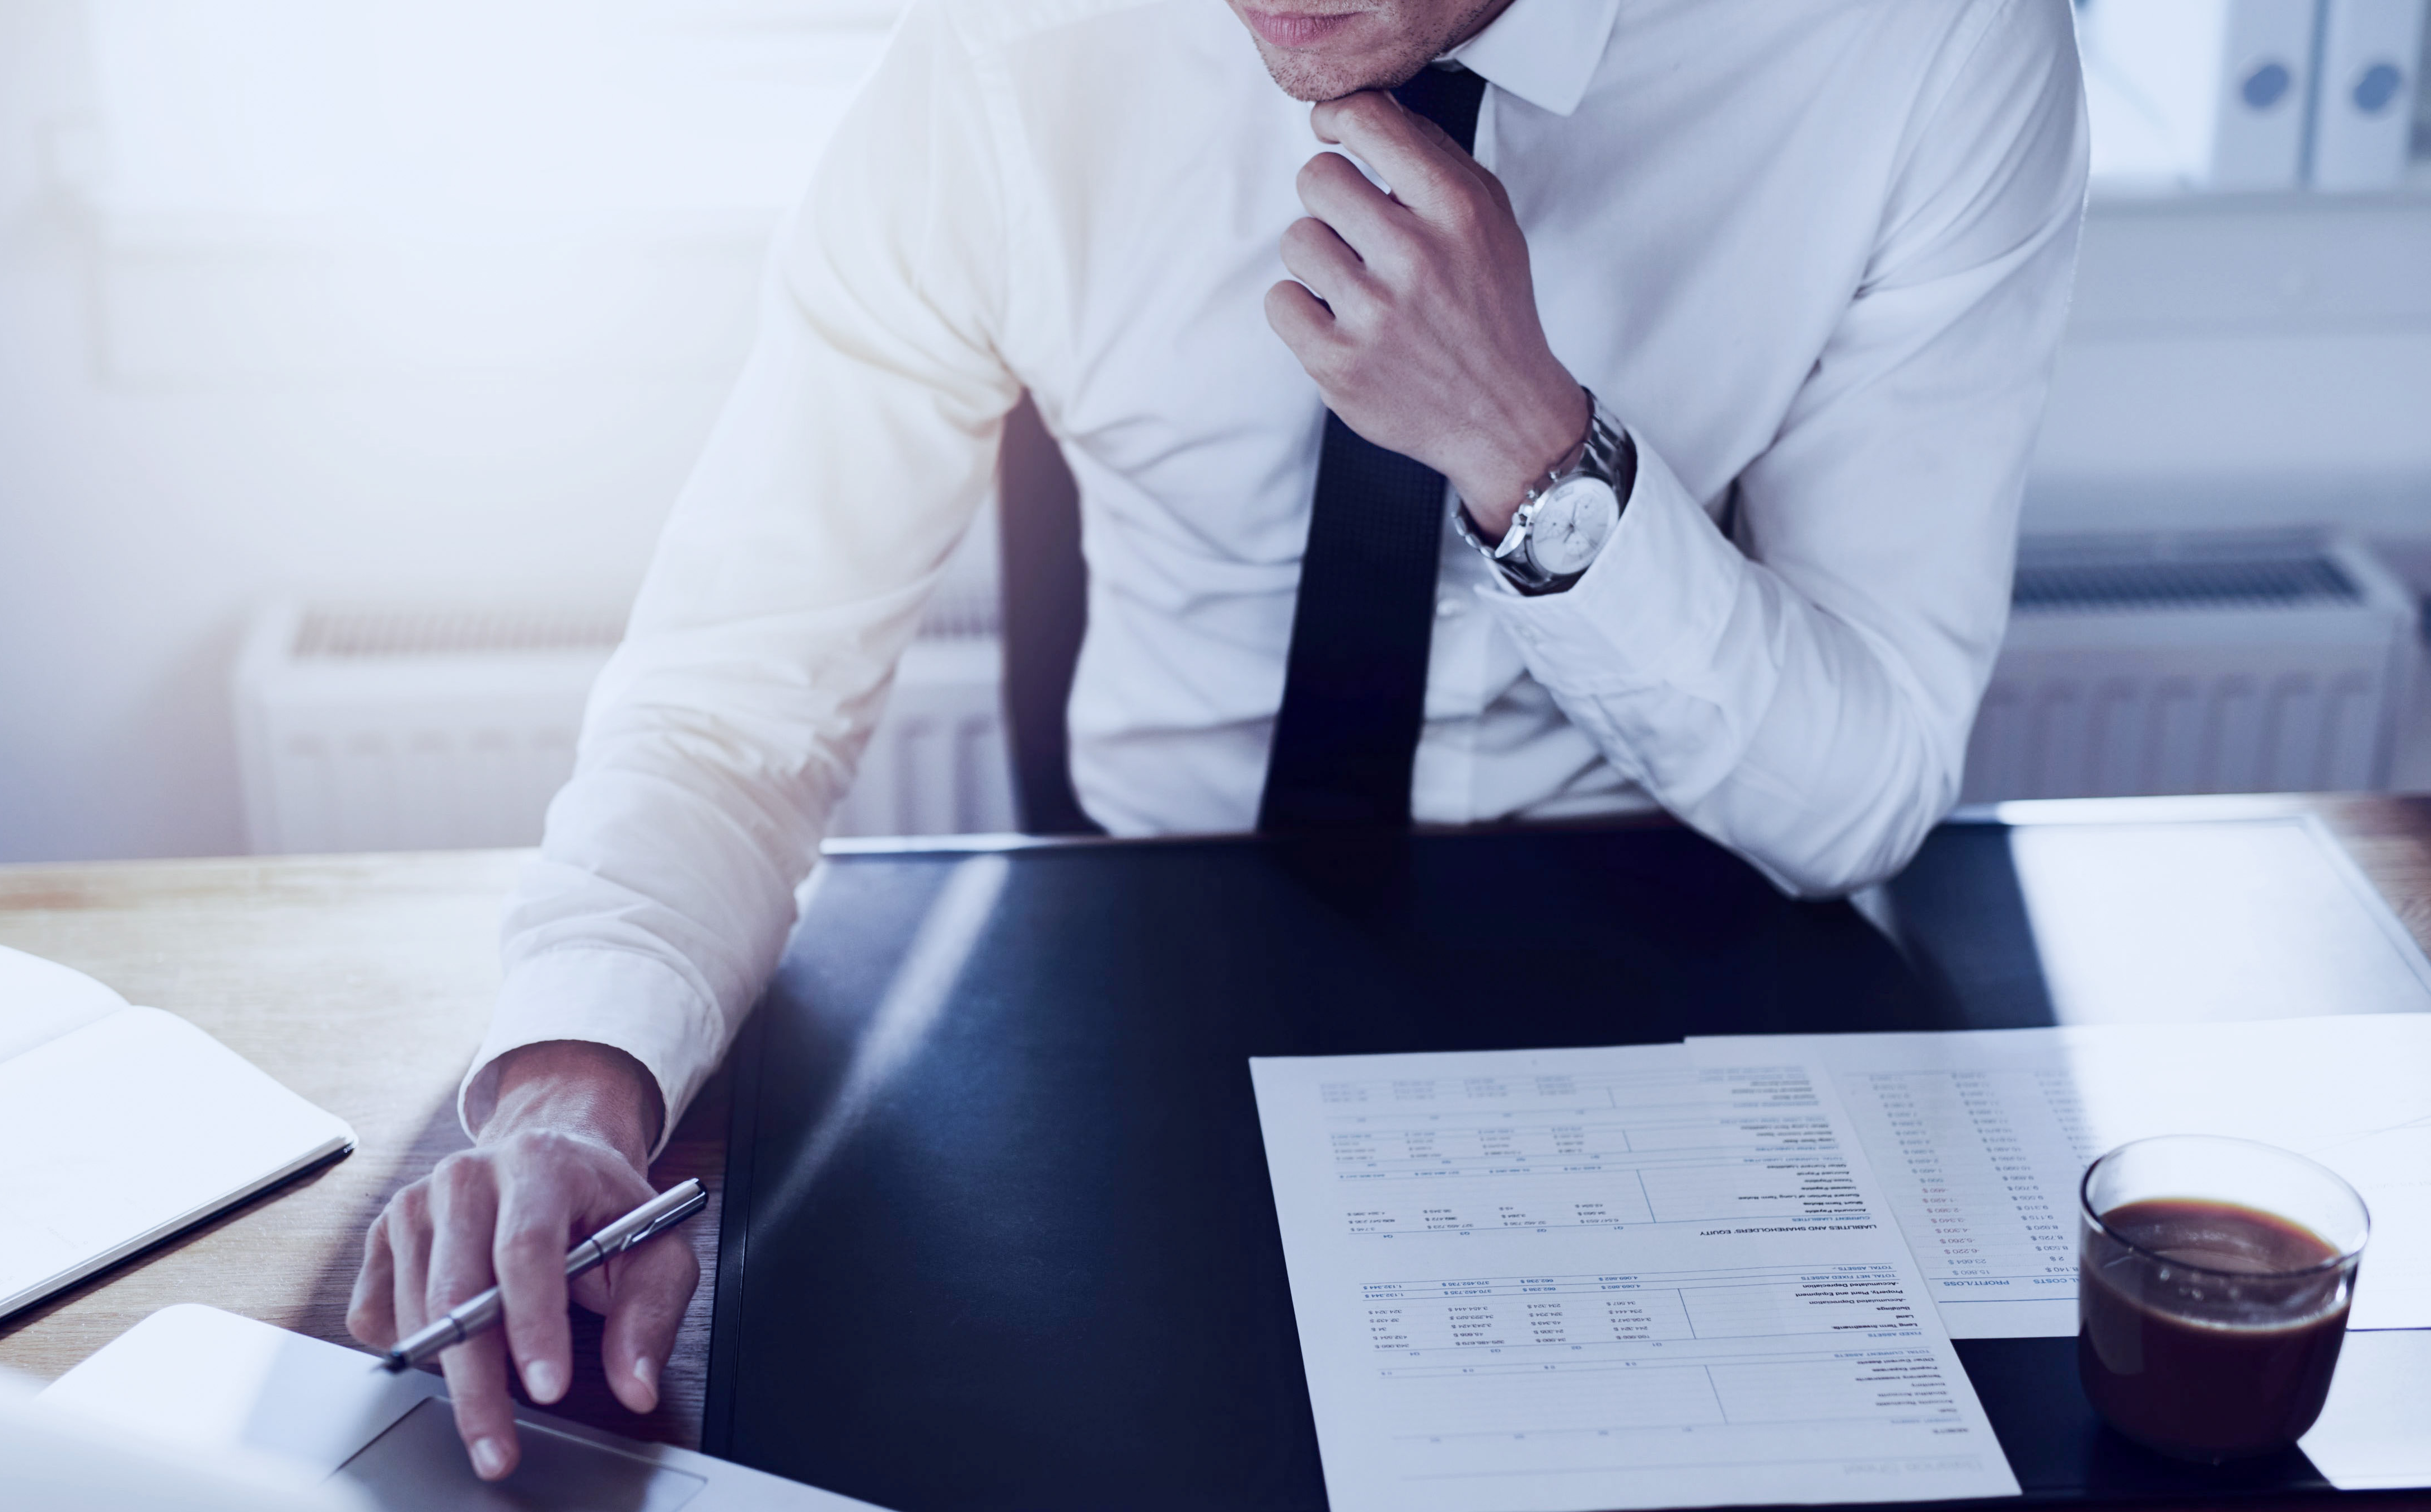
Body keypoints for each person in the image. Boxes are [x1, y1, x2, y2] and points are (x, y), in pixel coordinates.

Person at [349, 0, 2088, 1479]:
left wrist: (1532, 450)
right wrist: (577, 1081)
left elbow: (1864, 786)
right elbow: (738, 687)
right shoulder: (1006, 57)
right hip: (1130, 997)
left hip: (1678, 984)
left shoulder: (1926, 46)